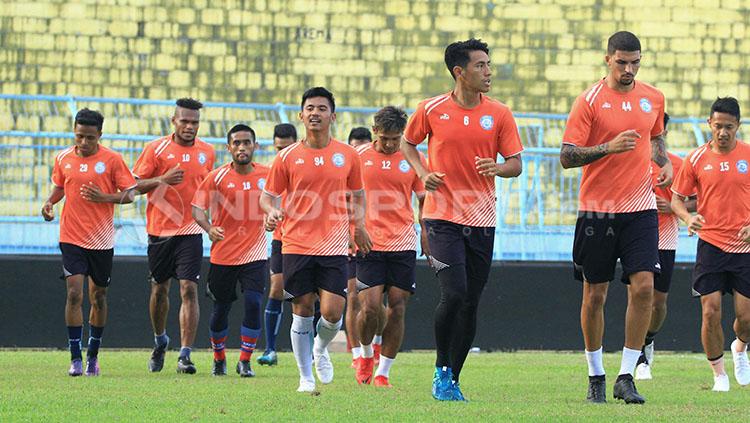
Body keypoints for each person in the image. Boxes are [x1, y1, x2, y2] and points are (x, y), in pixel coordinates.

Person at [401, 38, 523, 401]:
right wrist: (423, 172)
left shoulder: (500, 113)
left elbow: (516, 164)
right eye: (481, 65)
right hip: (442, 217)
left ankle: (453, 378)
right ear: (460, 71)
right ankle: (441, 369)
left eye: (489, 64)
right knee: (453, 293)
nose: (488, 72)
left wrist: (498, 168)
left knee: (471, 301)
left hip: (482, 219)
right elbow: (409, 144)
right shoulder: (431, 109)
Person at [559, 31, 671, 404]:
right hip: (598, 210)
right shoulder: (588, 101)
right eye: (622, 62)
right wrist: (607, 147)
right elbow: (567, 156)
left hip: (640, 209)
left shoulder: (653, 97)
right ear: (607, 59)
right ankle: (596, 375)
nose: (629, 69)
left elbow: (655, 139)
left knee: (643, 287)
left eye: (635, 62)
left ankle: (626, 375)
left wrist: (665, 163)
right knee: (595, 295)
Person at [260, 87, 370, 393]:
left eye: (322, 108)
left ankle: (320, 349)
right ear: (301, 115)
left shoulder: (347, 155)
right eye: (310, 108)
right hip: (296, 243)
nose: (315, 113)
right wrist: (271, 212)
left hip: (334, 244)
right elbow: (268, 196)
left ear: (332, 116)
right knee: (303, 307)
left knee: (333, 314)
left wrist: (358, 225)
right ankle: (305, 377)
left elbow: (359, 193)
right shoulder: (287, 157)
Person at [42, 108, 136, 376]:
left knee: (99, 296)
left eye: (90, 138)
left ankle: (93, 356)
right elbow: (61, 186)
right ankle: (74, 358)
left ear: (100, 136)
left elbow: (129, 194)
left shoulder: (113, 160)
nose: (83, 143)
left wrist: (104, 198)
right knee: (74, 293)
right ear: (74, 131)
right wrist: (49, 202)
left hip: (101, 240)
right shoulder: (63, 158)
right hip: (71, 236)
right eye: (79, 136)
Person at [671, 97, 750, 392]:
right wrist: (686, 218)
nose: (723, 132)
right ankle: (719, 376)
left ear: (738, 126)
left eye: (729, 127)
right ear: (709, 124)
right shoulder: (696, 159)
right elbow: (677, 198)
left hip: (744, 248)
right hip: (711, 244)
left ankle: (740, 347)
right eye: (718, 126)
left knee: (746, 319)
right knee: (710, 310)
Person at [132, 98, 215, 374]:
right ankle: (160, 341)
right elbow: (134, 186)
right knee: (159, 290)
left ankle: (185, 354)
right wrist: (161, 180)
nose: (190, 127)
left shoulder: (207, 152)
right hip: (160, 231)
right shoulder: (156, 149)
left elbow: (208, 190)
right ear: (174, 121)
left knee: (189, 289)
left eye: (194, 122)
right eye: (185, 121)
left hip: (191, 231)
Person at [354, 106, 427, 387]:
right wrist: (352, 230)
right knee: (371, 308)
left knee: (397, 307)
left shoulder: (413, 159)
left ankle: (383, 372)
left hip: (402, 242)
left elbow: (425, 198)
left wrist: (425, 232)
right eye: (385, 138)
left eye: (395, 139)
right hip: (368, 242)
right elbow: (344, 196)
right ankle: (364, 353)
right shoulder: (358, 157)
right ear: (374, 132)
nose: (390, 144)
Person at [192, 124, 269, 377]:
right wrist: (209, 228)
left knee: (254, 303)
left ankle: (245, 361)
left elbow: (280, 203)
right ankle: (219, 357)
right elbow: (197, 210)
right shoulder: (216, 177)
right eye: (237, 143)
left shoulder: (267, 176)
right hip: (223, 255)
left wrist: (273, 217)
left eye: (247, 142)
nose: (242, 147)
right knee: (220, 309)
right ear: (229, 148)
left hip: (255, 254)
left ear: (255, 146)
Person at [634, 113, 696, 380]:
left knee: (658, 302)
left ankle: (648, 338)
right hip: (635, 238)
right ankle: (637, 357)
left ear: (663, 135)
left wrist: (671, 207)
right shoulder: (628, 163)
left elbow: (694, 202)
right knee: (637, 296)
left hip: (666, 238)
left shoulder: (678, 165)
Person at [345, 125, 385, 368]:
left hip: (380, 240)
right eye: (353, 146)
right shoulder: (346, 166)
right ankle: (357, 353)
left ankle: (377, 343)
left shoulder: (376, 166)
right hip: (351, 240)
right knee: (352, 297)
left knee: (377, 302)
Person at [257, 123, 297, 367]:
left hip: (309, 239)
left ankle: (314, 349)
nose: (282, 152)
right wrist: (269, 215)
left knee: (311, 295)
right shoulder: (271, 170)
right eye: (279, 147)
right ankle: (270, 349)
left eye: (287, 147)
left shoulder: (304, 165)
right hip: (281, 237)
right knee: (276, 288)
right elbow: (266, 201)